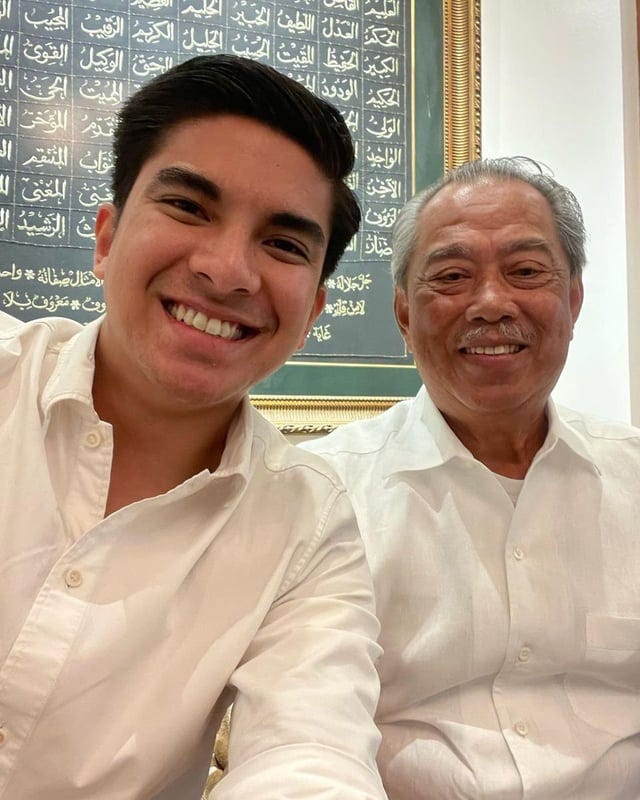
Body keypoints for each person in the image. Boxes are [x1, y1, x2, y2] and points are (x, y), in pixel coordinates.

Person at [0, 55, 387, 800]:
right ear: (106, 238)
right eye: (188, 207)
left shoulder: (308, 525)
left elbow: (312, 748)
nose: (227, 269)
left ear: (313, 311)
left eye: (283, 244)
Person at [302, 157, 640, 799]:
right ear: (404, 314)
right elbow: (309, 733)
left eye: (526, 271)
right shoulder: (324, 494)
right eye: (452, 276)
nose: (491, 303)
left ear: (573, 301)